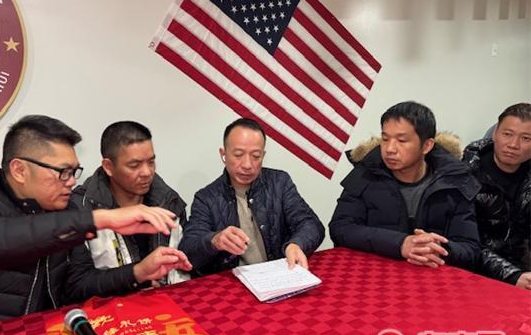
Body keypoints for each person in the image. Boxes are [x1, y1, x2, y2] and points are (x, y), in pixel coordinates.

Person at [0, 115, 191, 333]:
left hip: (40, 331)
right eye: (62, 172)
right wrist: (101, 218)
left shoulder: (66, 209)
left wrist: (138, 272)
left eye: (74, 171)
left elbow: (78, 285)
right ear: (20, 170)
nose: (72, 182)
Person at [329, 101, 480, 270]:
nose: (390, 149)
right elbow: (340, 229)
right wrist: (400, 243)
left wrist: (440, 248)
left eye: (401, 140)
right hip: (373, 273)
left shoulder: (454, 181)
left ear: (427, 146)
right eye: (385, 139)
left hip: (431, 276)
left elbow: (471, 250)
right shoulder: (366, 174)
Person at [178, 118, 324, 275]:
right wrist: (214, 240)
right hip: (234, 281)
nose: (247, 165)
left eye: (256, 156)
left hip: (279, 275)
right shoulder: (207, 198)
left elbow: (311, 224)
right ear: (223, 154)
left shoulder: (279, 183)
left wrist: (296, 244)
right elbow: (187, 251)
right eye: (238, 155)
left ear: (263, 155)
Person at [66, 121, 187, 298]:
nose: (147, 172)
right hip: (110, 309)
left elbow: (187, 263)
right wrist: (137, 274)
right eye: (134, 165)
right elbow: (77, 287)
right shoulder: (81, 209)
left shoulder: (169, 201)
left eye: (151, 162)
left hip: (169, 303)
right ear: (108, 167)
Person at [463, 103, 531, 289]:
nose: (513, 145)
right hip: (473, 270)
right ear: (495, 134)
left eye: (526, 138)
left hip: (521, 267)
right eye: (507, 134)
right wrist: (512, 275)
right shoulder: (465, 175)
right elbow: (466, 242)